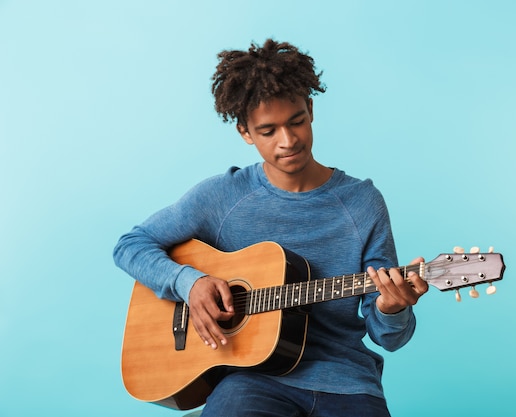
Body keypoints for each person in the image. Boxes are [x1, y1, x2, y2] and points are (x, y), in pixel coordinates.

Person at [113, 38, 429, 417]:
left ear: (310, 110)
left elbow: (389, 338)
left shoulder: (362, 203)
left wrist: (393, 308)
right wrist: (189, 283)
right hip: (252, 379)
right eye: (268, 131)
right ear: (246, 133)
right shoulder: (224, 196)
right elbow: (130, 245)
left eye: (296, 121)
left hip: (345, 379)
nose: (289, 140)